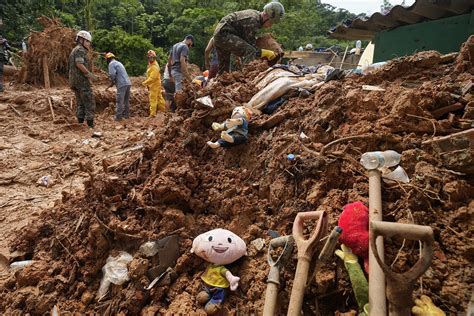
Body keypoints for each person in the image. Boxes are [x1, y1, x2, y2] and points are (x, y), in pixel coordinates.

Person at [212, 2, 284, 75]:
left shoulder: (255, 17)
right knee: (250, 51)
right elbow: (252, 47)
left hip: (221, 34)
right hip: (224, 34)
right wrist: (265, 52)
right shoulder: (253, 21)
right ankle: (247, 76)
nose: (270, 25)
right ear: (266, 15)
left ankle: (220, 82)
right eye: (271, 22)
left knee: (224, 70)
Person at [68, 30, 97, 128]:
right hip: (81, 81)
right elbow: (79, 64)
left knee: (80, 103)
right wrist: (90, 75)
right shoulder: (80, 50)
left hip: (74, 81)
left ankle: (80, 124)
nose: (89, 44)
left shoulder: (74, 50)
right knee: (89, 102)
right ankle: (90, 125)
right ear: (81, 40)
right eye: (87, 41)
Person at [105, 52, 131, 121]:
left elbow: (112, 74)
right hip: (128, 83)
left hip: (121, 84)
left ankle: (118, 117)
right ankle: (126, 115)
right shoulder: (119, 63)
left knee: (119, 101)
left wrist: (111, 81)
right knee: (126, 101)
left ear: (108, 59)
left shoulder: (111, 64)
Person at [142, 50, 165, 116]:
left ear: (154, 57)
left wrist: (144, 83)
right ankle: (163, 111)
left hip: (154, 85)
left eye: (152, 57)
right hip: (155, 84)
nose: (150, 58)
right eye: (149, 57)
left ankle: (152, 114)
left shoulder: (155, 67)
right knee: (159, 98)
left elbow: (152, 78)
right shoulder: (151, 64)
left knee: (153, 99)